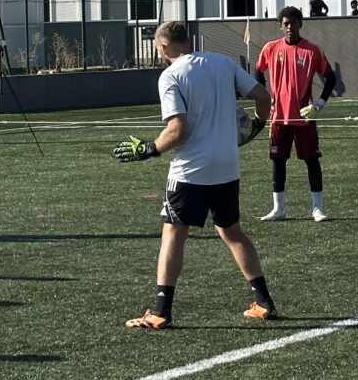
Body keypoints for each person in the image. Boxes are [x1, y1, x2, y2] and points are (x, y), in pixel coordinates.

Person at [112, 19, 278, 327]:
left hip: (191, 170)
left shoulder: (171, 75)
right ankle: (265, 302)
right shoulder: (222, 62)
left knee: (174, 233)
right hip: (227, 165)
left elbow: (178, 130)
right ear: (188, 41)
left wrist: (150, 149)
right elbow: (263, 97)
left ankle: (161, 311)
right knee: (231, 231)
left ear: (163, 47)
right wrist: (257, 125)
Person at [255, 7, 337, 222]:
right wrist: (264, 96)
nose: (290, 27)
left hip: (304, 116)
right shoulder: (271, 48)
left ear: (300, 24)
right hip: (278, 116)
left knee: (311, 159)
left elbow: (331, 78)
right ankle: (278, 209)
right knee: (278, 160)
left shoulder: (312, 50)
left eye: (293, 22)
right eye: (286, 23)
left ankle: (317, 208)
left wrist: (319, 104)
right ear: (280, 26)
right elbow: (258, 71)